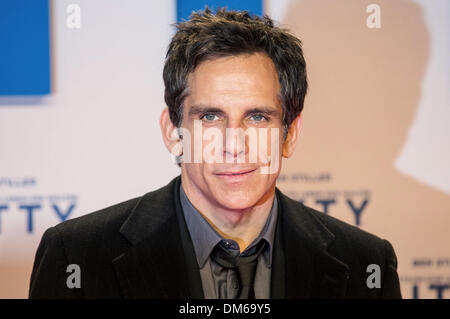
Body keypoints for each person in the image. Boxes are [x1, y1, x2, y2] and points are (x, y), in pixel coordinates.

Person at [29, 7, 401, 299]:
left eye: (257, 117)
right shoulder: (75, 257)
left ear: (289, 135)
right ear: (173, 133)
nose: (234, 144)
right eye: (210, 116)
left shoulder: (366, 263)